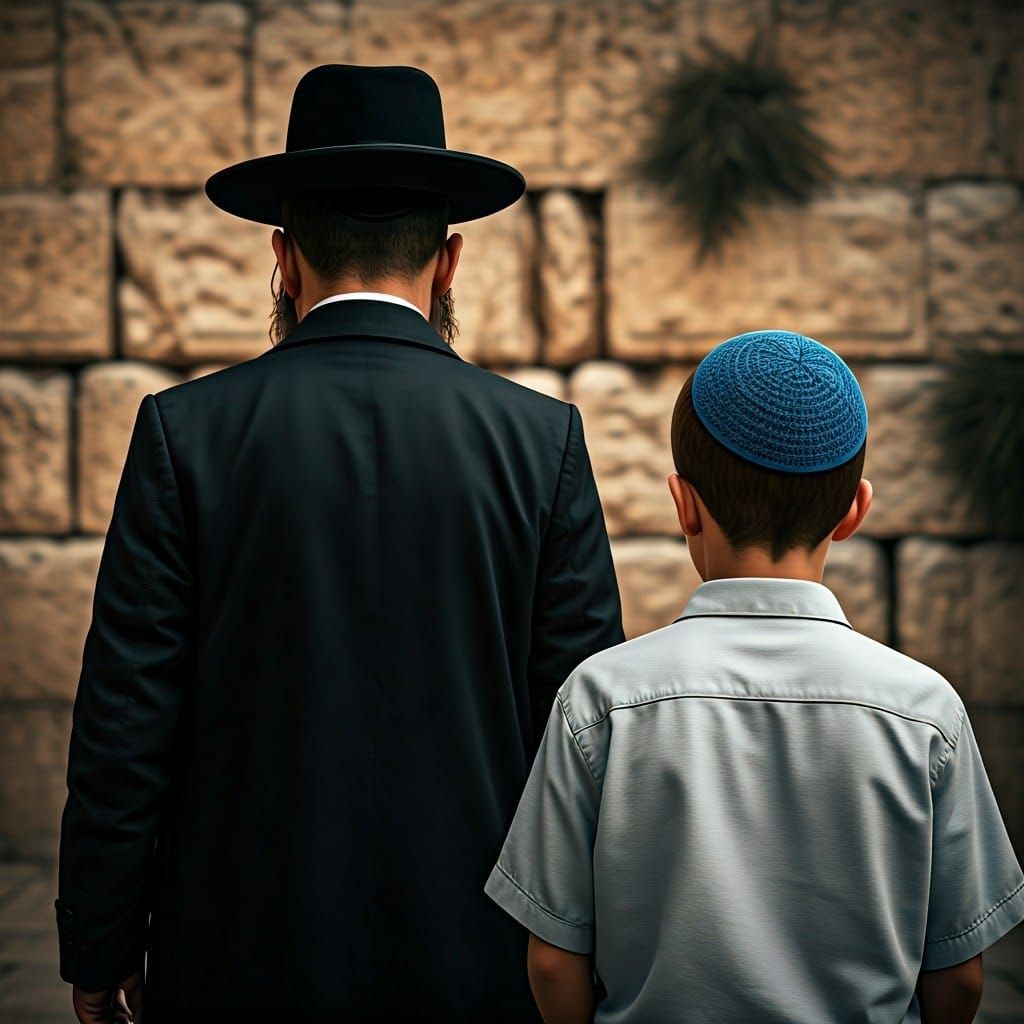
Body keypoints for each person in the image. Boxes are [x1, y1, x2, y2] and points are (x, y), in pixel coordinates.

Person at [56, 64, 623, 1023]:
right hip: (480, 960)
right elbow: (584, 736)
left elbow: (126, 725)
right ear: (448, 261)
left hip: (240, 959)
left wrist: (99, 945)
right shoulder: (543, 442)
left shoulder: (182, 433)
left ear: (281, 257)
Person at [486, 330, 1024, 1024]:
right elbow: (960, 975)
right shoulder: (927, 713)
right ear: (854, 511)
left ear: (683, 505)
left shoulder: (600, 700)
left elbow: (554, 958)